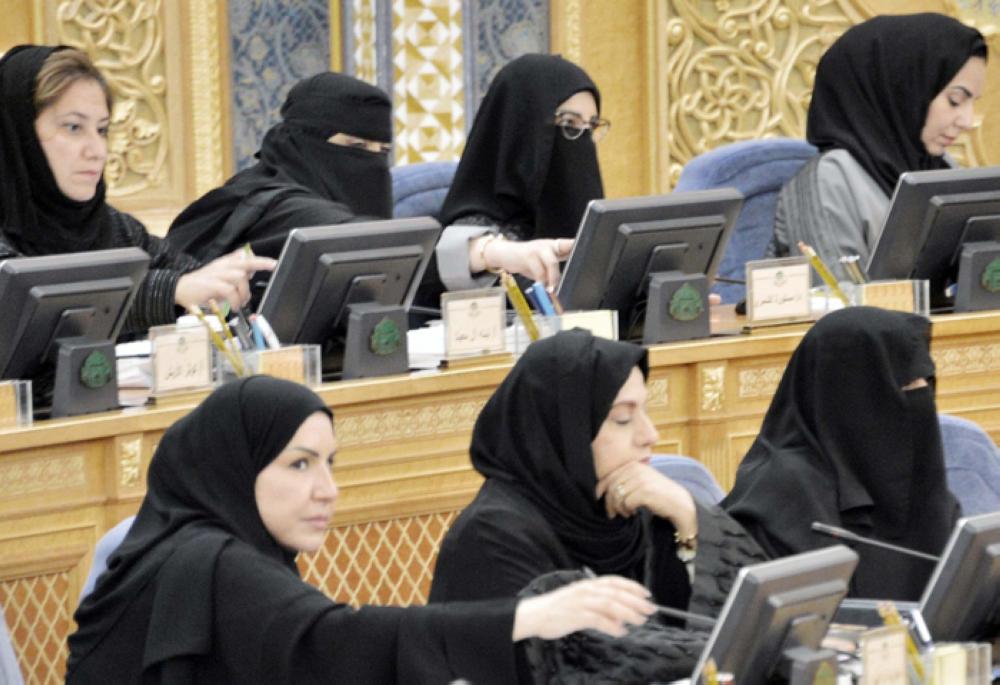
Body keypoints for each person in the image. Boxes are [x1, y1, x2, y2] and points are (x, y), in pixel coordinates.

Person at [66, 376, 656, 683]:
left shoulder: (202, 549)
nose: (328, 489)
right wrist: (531, 617)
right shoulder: (209, 560)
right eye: (299, 464)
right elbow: (334, 640)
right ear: (236, 470)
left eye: (330, 464)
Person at [429, 329, 767, 680]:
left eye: (646, 412)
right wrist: (723, 652)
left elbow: (762, 615)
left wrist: (691, 518)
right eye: (623, 418)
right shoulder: (492, 537)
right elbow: (586, 660)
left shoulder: (635, 511)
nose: (649, 434)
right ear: (566, 433)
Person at [0, 45, 273, 333]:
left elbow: (188, 276)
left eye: (102, 130)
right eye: (73, 128)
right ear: (19, 136)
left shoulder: (115, 229)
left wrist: (222, 285)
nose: (97, 150)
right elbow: (34, 305)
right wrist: (172, 291)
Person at [723, 307, 960, 601]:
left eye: (926, 381)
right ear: (855, 394)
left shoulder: (917, 478)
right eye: (905, 386)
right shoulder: (782, 500)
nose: (923, 395)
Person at [768, 13, 988, 284]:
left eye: (972, 102)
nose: (967, 121)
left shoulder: (942, 169)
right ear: (903, 90)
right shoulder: (830, 179)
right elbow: (841, 309)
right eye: (955, 100)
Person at [417, 54, 608, 311]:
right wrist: (501, 255)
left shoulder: (593, 223)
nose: (581, 140)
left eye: (591, 126)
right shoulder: (474, 227)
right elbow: (446, 259)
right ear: (519, 131)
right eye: (568, 123)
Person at [166, 72, 393, 267]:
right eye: (357, 146)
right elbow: (361, 237)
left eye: (383, 150)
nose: (373, 160)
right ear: (305, 140)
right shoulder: (269, 203)